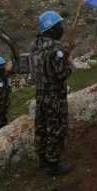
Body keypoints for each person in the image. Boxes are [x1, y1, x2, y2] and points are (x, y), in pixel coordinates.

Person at [29, 10, 72, 176]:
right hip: (55, 96)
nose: (61, 28)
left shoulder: (35, 46)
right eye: (59, 25)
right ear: (52, 29)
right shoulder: (56, 49)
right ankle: (53, 164)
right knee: (56, 127)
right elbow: (62, 74)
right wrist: (67, 62)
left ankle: (42, 159)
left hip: (40, 93)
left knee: (41, 127)